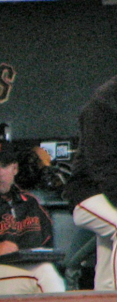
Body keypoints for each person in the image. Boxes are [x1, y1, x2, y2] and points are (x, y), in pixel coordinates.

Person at [0, 140, 66, 295]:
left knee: (46, 270)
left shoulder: (30, 203)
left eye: (5, 166)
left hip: (22, 270)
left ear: (15, 168)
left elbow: (48, 244)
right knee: (43, 274)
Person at [62, 74, 117, 291]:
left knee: (107, 257)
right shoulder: (103, 105)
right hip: (89, 192)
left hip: (110, 194)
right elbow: (104, 167)